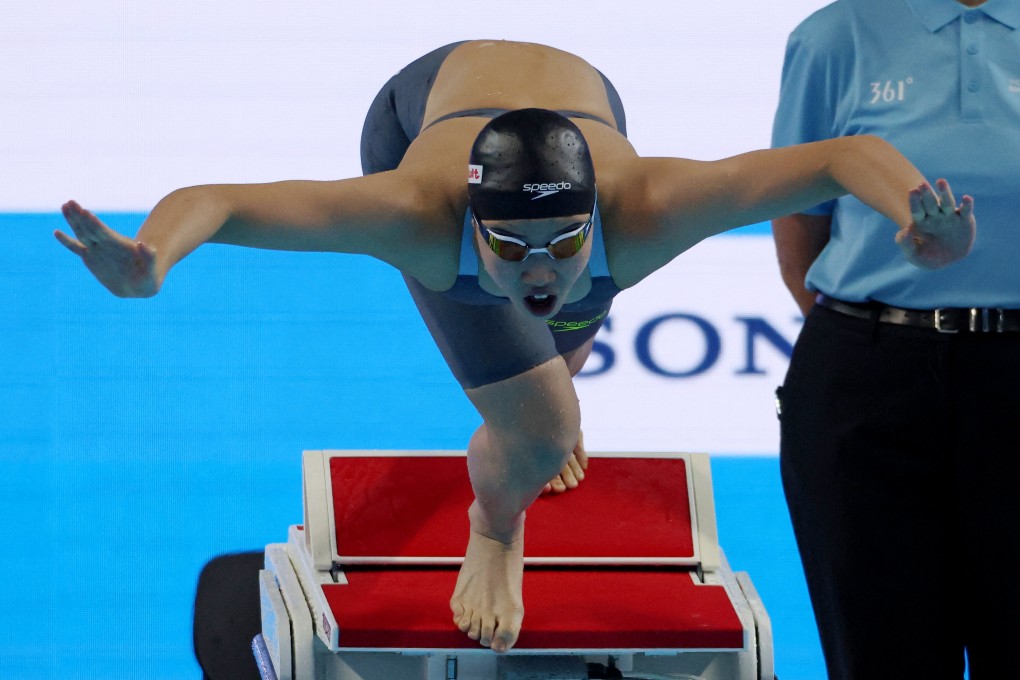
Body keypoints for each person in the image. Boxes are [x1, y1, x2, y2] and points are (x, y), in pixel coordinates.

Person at [57, 39, 974, 664]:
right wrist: (153, 259)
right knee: (542, 424)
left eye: (563, 246)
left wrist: (915, 222)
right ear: (471, 227)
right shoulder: (416, 217)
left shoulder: (650, 211)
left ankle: (529, 425)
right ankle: (494, 526)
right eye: (511, 250)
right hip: (425, 105)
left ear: (596, 222)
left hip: (585, 99)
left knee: (546, 381)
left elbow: (847, 153)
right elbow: (219, 198)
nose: (540, 273)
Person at [770, 1, 1017, 677]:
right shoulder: (834, 35)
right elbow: (798, 214)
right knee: (879, 656)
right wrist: (879, 331)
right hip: (868, 377)